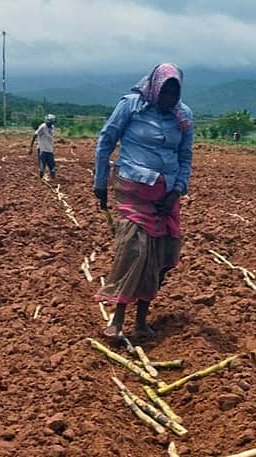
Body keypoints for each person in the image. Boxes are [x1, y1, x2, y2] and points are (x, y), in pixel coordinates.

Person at [92, 63, 194, 339]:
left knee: (160, 257)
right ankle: (118, 318)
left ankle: (141, 320)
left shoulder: (183, 117)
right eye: (165, 92)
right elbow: (106, 140)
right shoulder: (132, 106)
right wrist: (100, 183)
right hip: (134, 192)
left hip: (166, 198)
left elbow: (185, 157)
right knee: (135, 252)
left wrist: (177, 190)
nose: (169, 99)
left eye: (175, 94)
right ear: (155, 87)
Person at [30, 114, 57, 179]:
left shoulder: (52, 127)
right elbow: (35, 135)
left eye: (52, 122)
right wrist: (31, 147)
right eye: (50, 122)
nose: (50, 124)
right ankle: (41, 180)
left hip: (50, 149)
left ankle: (53, 179)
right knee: (42, 166)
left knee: (52, 166)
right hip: (42, 149)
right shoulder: (42, 127)